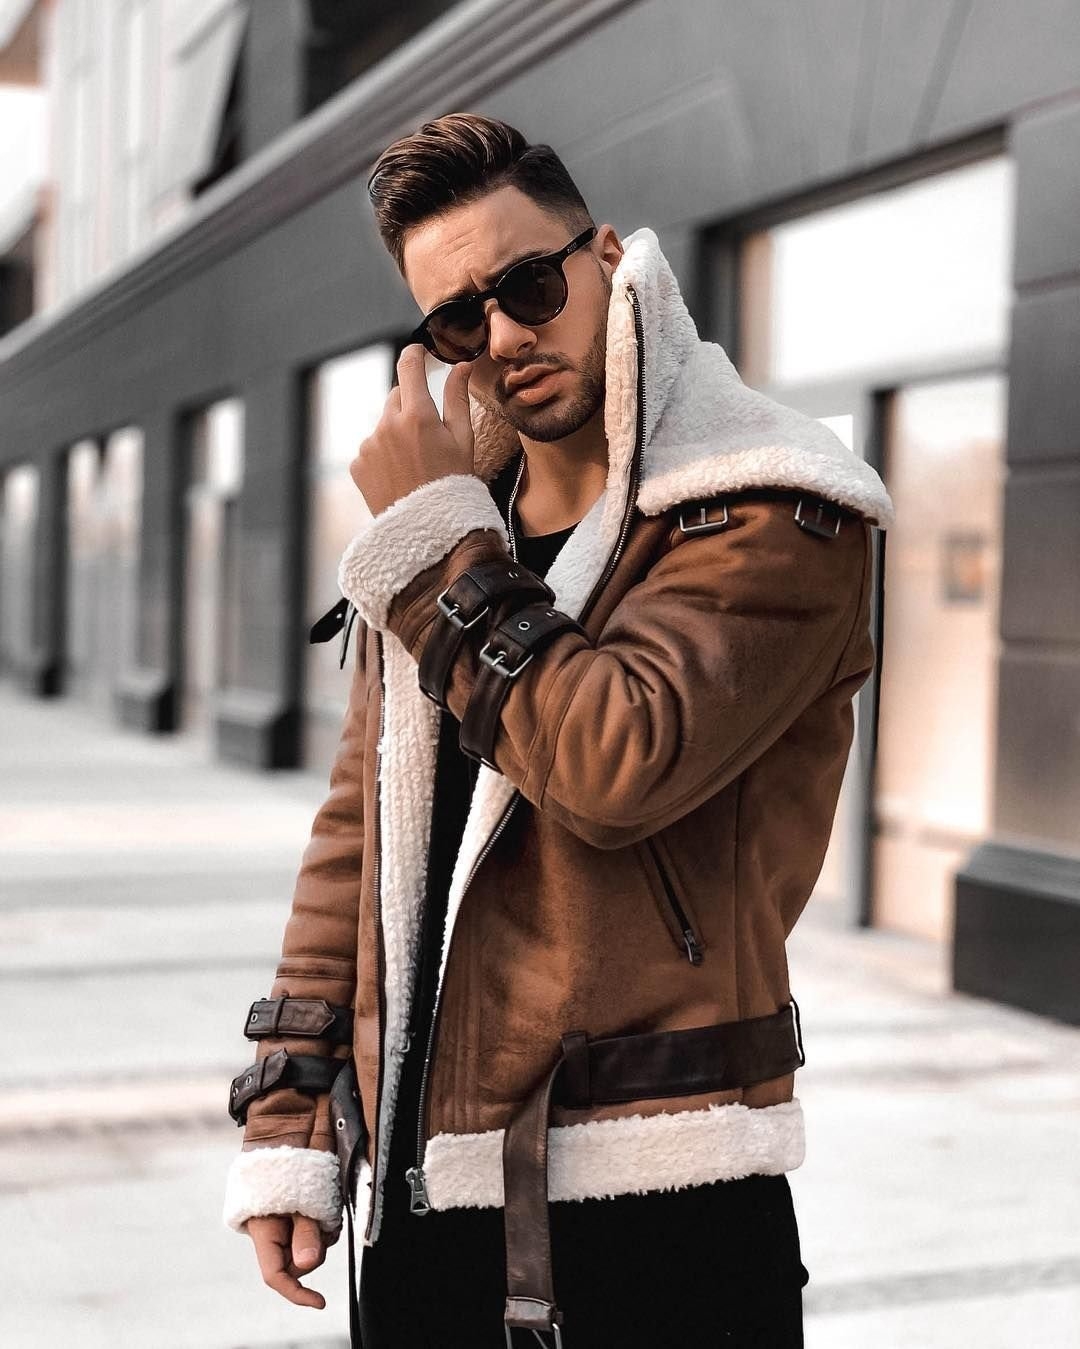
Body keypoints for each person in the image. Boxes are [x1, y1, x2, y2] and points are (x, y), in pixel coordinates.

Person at [222, 112, 895, 1347]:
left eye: (530, 286)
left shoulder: (770, 504)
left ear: (607, 257)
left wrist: (438, 552)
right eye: (456, 321)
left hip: (657, 1199)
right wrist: (293, 1114)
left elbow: (613, 762)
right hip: (424, 1186)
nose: (504, 339)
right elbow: (361, 828)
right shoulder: (456, 519)